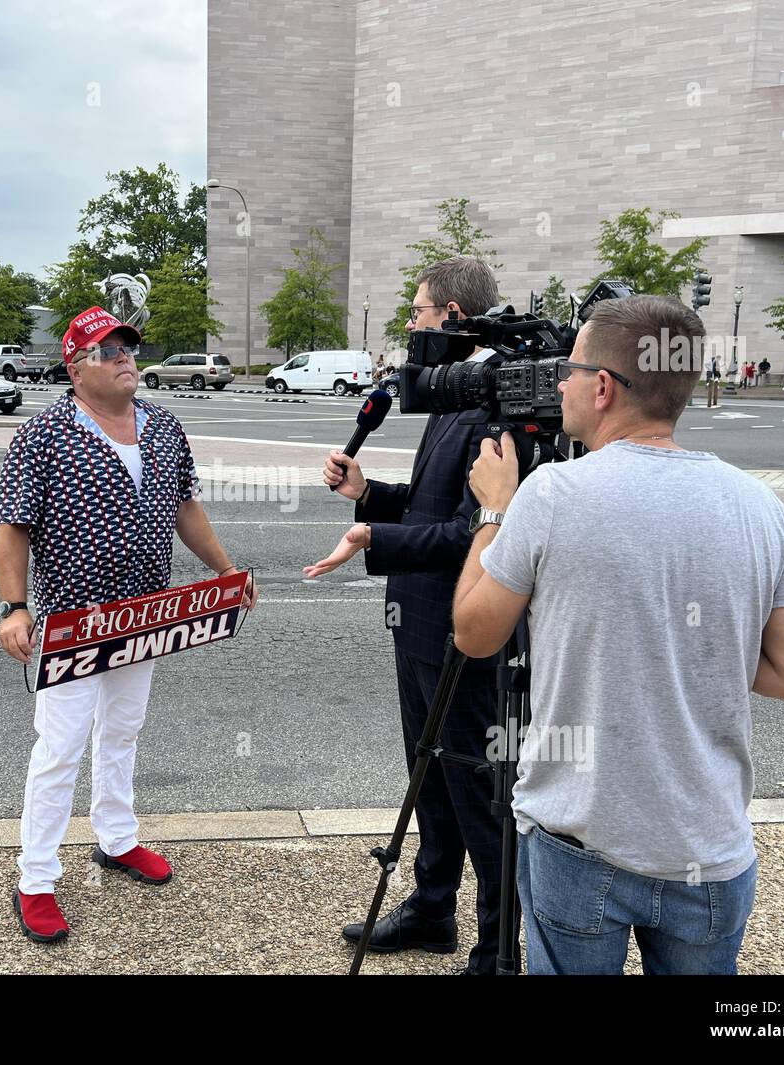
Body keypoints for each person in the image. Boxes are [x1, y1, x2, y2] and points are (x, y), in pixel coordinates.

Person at [450, 294, 784, 975]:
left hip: (580, 843)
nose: (558, 382)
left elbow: (475, 633)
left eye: (567, 369)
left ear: (602, 388)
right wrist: (688, 645)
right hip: (711, 853)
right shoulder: (759, 505)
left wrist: (493, 509)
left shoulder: (550, 497)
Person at [0, 305, 258, 944]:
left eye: (126, 347)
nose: (123, 357)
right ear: (75, 368)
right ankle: (36, 877)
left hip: (144, 616)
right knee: (59, 747)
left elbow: (184, 508)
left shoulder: (164, 428)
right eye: (106, 350)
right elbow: (12, 527)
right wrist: (15, 606)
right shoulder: (43, 435)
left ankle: (116, 838)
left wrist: (225, 572)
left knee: (124, 731)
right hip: (73, 618)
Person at [308, 257, 509, 972]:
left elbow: (474, 532)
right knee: (431, 781)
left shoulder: (496, 403)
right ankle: (433, 909)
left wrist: (377, 537)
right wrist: (371, 493)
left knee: (479, 793)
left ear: (454, 315)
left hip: (466, 627)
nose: (411, 324)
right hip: (421, 623)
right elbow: (434, 505)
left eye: (418, 312)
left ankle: (496, 945)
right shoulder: (455, 392)